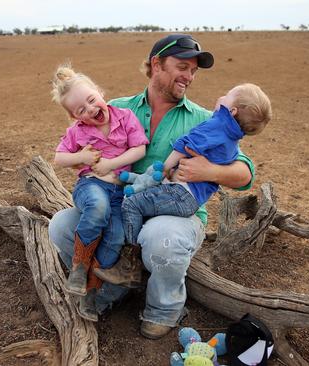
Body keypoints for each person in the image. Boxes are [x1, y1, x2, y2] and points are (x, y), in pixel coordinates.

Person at [49, 34, 256, 339]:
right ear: (156, 64)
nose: (189, 76)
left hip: (175, 213)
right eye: (182, 66)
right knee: (61, 226)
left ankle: (163, 308)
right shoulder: (116, 109)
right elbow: (78, 152)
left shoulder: (204, 119)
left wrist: (208, 169)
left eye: (194, 71)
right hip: (123, 202)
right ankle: (109, 288)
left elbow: (245, 173)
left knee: (162, 238)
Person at [95, 83, 272, 287]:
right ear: (157, 64)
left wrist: (166, 169)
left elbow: (187, 144)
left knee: (131, 204)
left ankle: (130, 264)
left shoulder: (215, 124)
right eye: (182, 66)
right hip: (188, 196)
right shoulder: (231, 135)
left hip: (180, 193)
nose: (221, 96)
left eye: (227, 95)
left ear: (231, 111)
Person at [51, 64, 149, 322]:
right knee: (97, 207)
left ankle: (90, 291)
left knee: (116, 236)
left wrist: (109, 165)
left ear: (100, 93)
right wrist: (82, 156)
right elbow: (59, 158)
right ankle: (79, 267)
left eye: (92, 100)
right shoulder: (78, 132)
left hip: (119, 192)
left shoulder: (125, 117)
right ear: (75, 117)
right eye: (81, 110)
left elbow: (139, 150)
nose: (91, 109)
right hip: (91, 186)